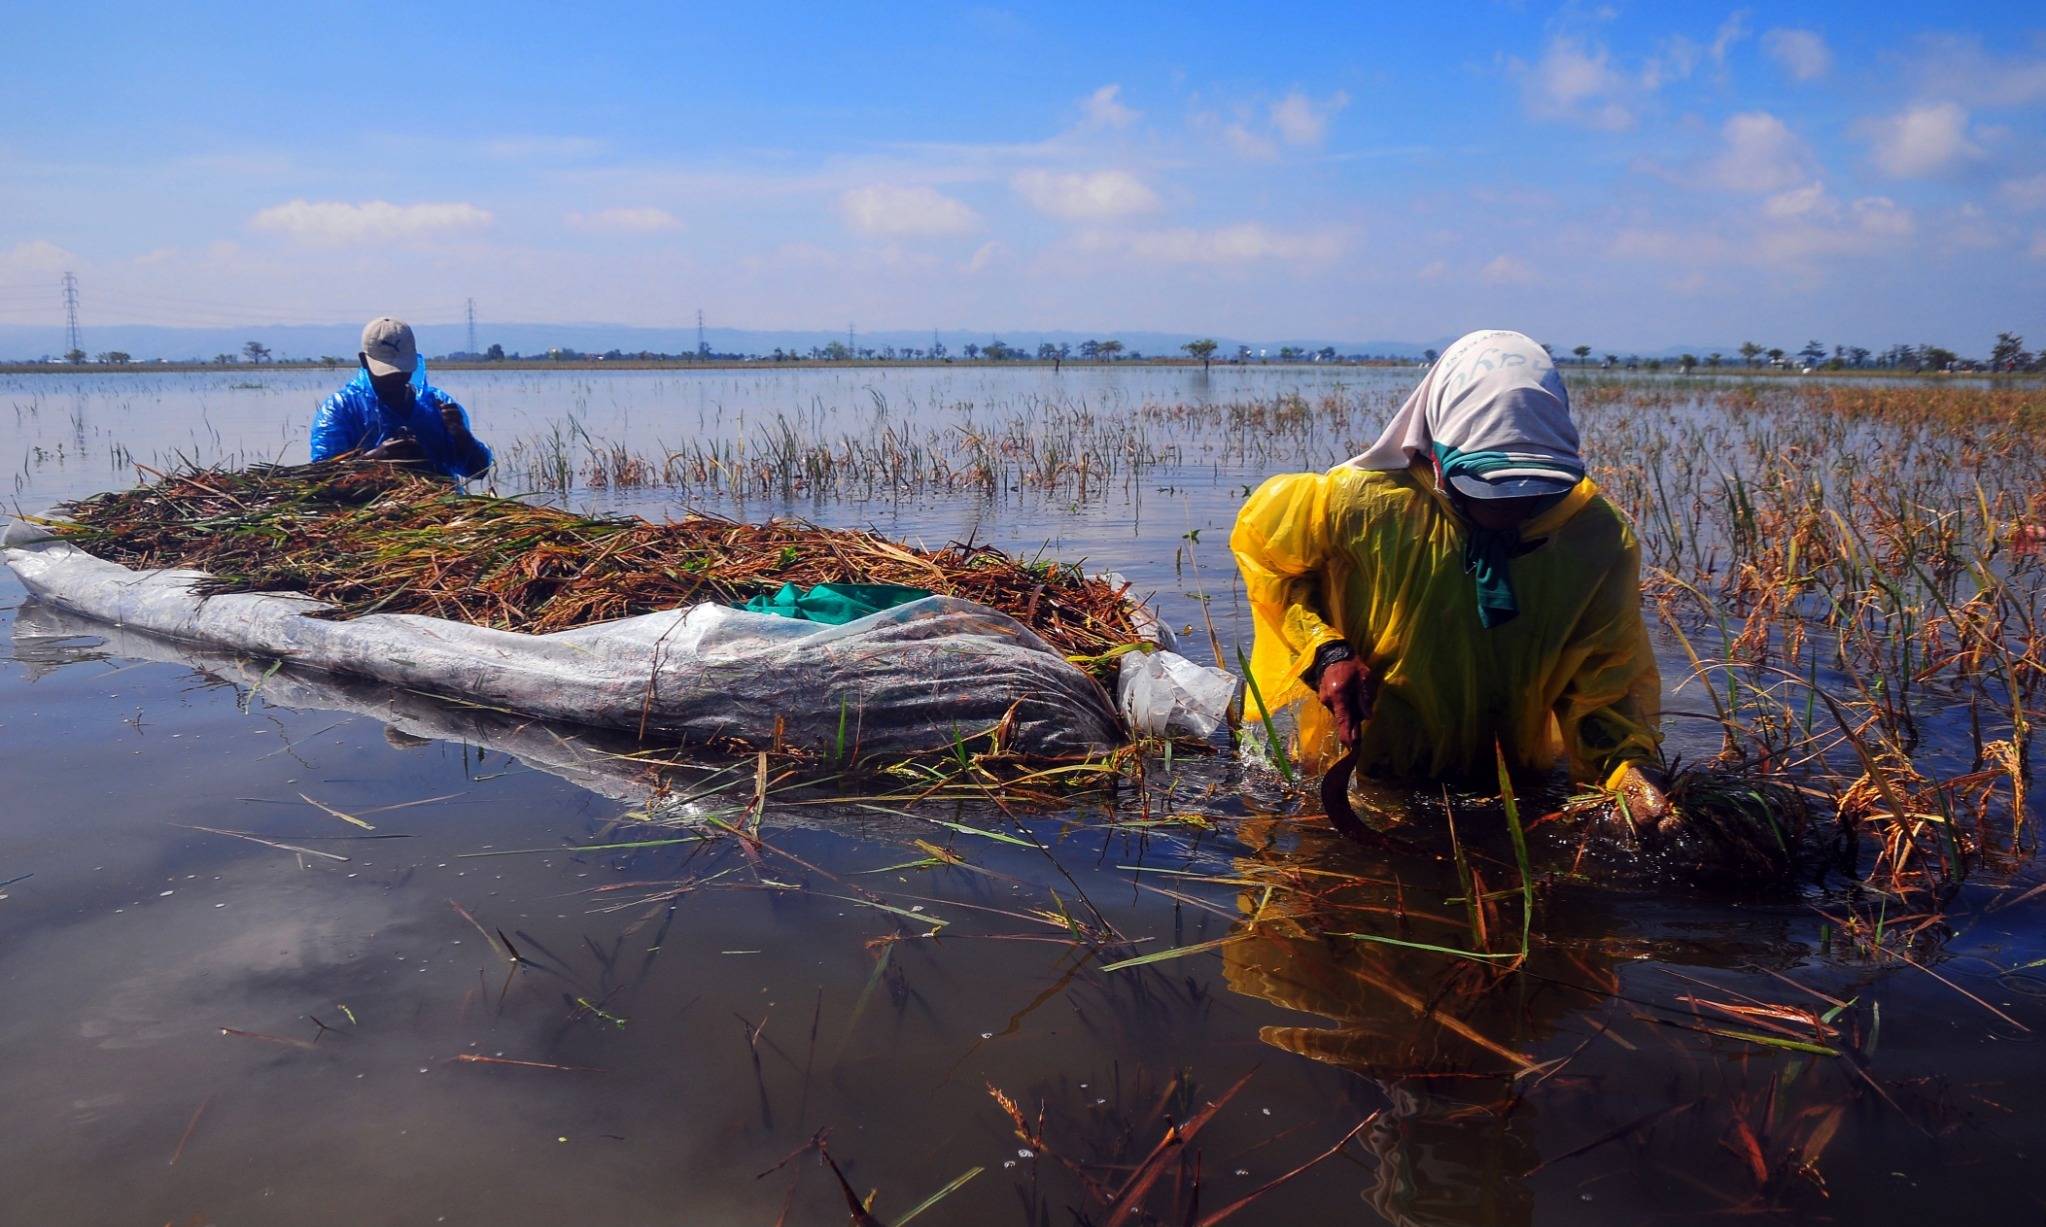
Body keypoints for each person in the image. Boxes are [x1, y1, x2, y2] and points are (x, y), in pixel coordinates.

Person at [1230, 329, 1671, 829]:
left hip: (1514, 786)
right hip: (1371, 773)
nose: (1512, 506)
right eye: (1487, 484)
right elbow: (1275, 572)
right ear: (1435, 450)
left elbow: (1605, 683)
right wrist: (1326, 653)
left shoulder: (1592, 536)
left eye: (1536, 486)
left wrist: (1629, 776)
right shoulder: (1358, 505)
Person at [310, 317, 492, 479]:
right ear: (364, 361)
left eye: (402, 370)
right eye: (386, 372)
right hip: (367, 508)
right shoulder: (341, 409)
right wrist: (373, 459)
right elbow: (323, 477)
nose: (395, 377)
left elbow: (478, 471)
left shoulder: (436, 405)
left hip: (435, 503)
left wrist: (460, 435)